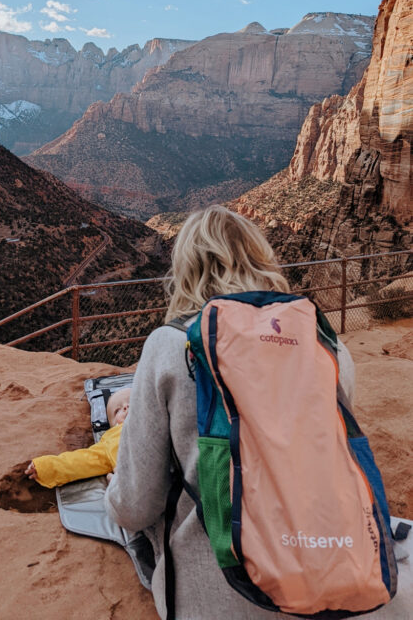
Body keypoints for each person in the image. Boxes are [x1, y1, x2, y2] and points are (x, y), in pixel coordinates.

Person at [105, 204, 411, 620]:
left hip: (218, 598)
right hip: (329, 572)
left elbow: (135, 507)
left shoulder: (170, 346)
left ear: (187, 269)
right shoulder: (326, 345)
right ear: (261, 258)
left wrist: (114, 489)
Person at [25, 388, 130, 488]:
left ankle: (118, 484)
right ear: (113, 425)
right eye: (117, 410)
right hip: (131, 476)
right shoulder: (111, 440)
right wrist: (45, 467)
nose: (126, 406)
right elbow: (82, 461)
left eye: (133, 401)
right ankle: (120, 483)